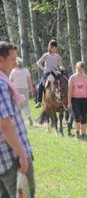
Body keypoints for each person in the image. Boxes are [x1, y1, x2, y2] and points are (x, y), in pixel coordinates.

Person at [0, 41, 35, 197]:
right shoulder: (1, 85)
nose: (15, 64)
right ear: (1, 60)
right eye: (12, 59)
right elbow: (5, 125)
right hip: (13, 159)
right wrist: (22, 154)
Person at [68, 61, 87, 139]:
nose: (80, 70)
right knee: (77, 117)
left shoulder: (86, 78)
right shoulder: (72, 78)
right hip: (75, 100)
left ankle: (83, 134)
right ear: (76, 68)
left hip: (84, 100)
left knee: (84, 117)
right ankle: (77, 133)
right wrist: (69, 102)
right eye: (78, 69)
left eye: (81, 69)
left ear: (84, 69)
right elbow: (69, 91)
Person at [35, 39, 64, 108]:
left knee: (66, 80)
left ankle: (68, 98)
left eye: (55, 47)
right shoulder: (46, 55)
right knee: (41, 85)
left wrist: (61, 67)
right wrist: (43, 69)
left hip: (56, 72)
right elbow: (38, 63)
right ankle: (39, 101)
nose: (54, 49)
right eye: (52, 47)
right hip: (47, 73)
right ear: (49, 48)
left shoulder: (58, 56)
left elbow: (60, 65)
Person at [9, 57, 35, 126]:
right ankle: (28, 116)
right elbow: (29, 81)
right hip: (25, 89)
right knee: (25, 104)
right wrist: (32, 89)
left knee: (17, 105)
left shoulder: (13, 71)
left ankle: (19, 120)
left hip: (16, 89)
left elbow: (10, 81)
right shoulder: (26, 70)